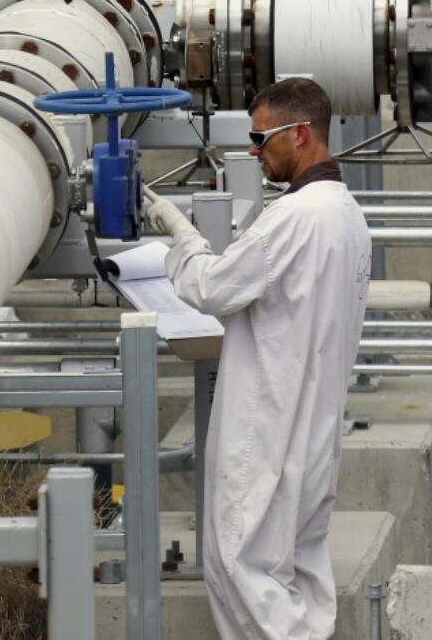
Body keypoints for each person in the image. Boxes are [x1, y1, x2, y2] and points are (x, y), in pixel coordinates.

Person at [143, 77, 372, 639]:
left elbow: (211, 287)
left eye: (260, 137)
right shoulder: (345, 214)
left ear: (299, 134)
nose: (253, 150)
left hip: (268, 425)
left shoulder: (297, 217)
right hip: (314, 425)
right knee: (299, 568)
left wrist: (179, 233)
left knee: (239, 563)